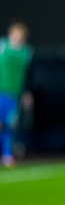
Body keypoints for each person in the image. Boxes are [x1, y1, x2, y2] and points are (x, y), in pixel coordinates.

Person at [0, 22, 33, 168]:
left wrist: (26, 92)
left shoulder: (27, 52)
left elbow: (28, 75)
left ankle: (7, 155)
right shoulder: (2, 46)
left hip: (14, 95)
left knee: (9, 125)